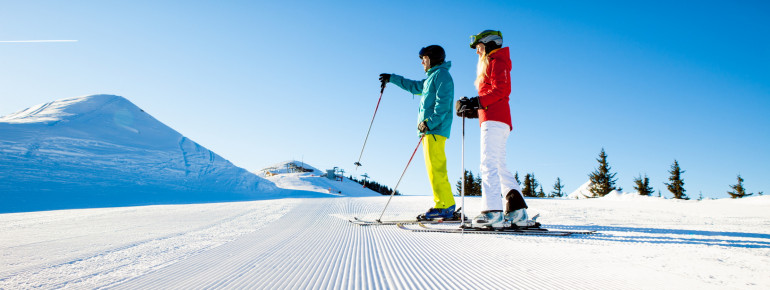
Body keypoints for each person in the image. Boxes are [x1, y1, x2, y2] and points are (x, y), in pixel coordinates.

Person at [457, 30, 535, 228]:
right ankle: (517, 212)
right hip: (496, 119)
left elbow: (501, 90)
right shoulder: (494, 63)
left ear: (490, 45)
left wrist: (477, 101)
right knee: (499, 165)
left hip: (494, 121)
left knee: (488, 164)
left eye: (479, 47)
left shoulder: (496, 62)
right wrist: (474, 109)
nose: (477, 52)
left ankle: (493, 214)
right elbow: (493, 99)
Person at [379, 45, 456, 220]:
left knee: (436, 169)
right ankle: (445, 203)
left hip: (434, 130)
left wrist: (430, 122)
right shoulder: (431, 78)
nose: (422, 62)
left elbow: (443, 103)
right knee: (433, 169)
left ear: (433, 59)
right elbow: (413, 86)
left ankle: (445, 205)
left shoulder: (442, 76)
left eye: (424, 58)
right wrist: (392, 78)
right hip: (429, 131)